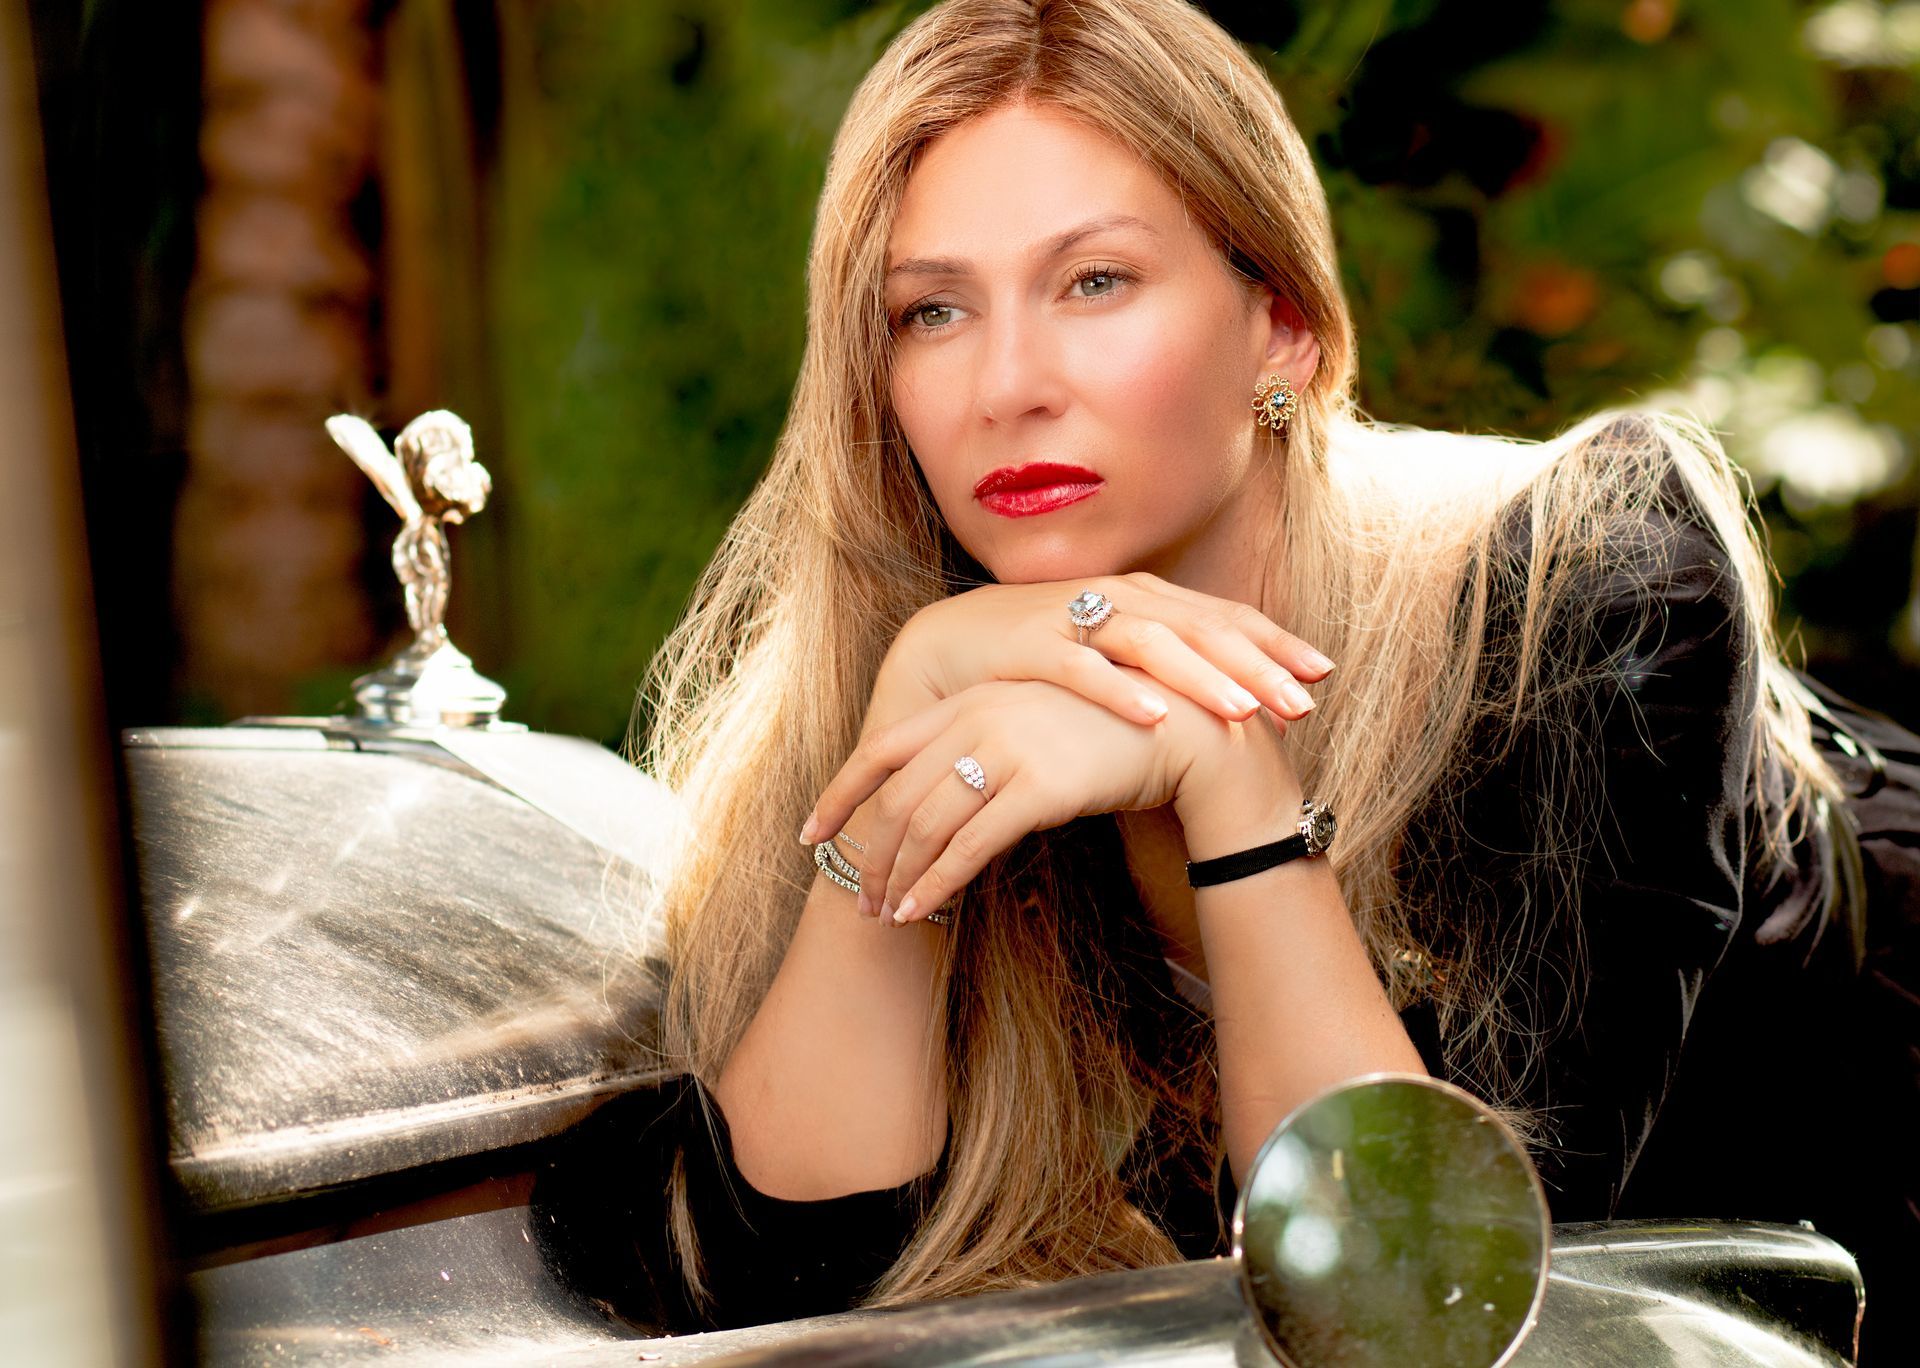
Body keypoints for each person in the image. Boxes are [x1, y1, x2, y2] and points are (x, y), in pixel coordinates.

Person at [531, 0, 1919, 1357]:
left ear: (1283, 326)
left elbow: (1425, 1306)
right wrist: (913, 736)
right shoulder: (907, 667)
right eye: (932, 311)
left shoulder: (1589, 598)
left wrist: (1228, 779)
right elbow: (750, 1282)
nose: (1006, 386)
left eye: (1095, 282)